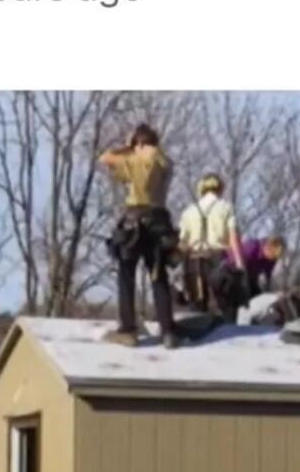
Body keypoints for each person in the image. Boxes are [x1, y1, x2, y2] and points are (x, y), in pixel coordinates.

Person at [100, 123, 179, 349]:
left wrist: (125, 147)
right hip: (160, 220)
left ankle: (128, 330)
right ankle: (168, 332)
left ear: (139, 142)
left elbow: (104, 158)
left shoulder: (135, 159)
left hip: (135, 219)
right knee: (158, 275)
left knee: (126, 273)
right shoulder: (166, 161)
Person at [178, 173, 244, 314]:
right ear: (220, 188)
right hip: (218, 259)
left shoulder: (188, 211)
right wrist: (239, 263)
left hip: (194, 260)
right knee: (226, 304)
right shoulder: (226, 207)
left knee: (197, 307)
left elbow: (182, 243)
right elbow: (233, 237)